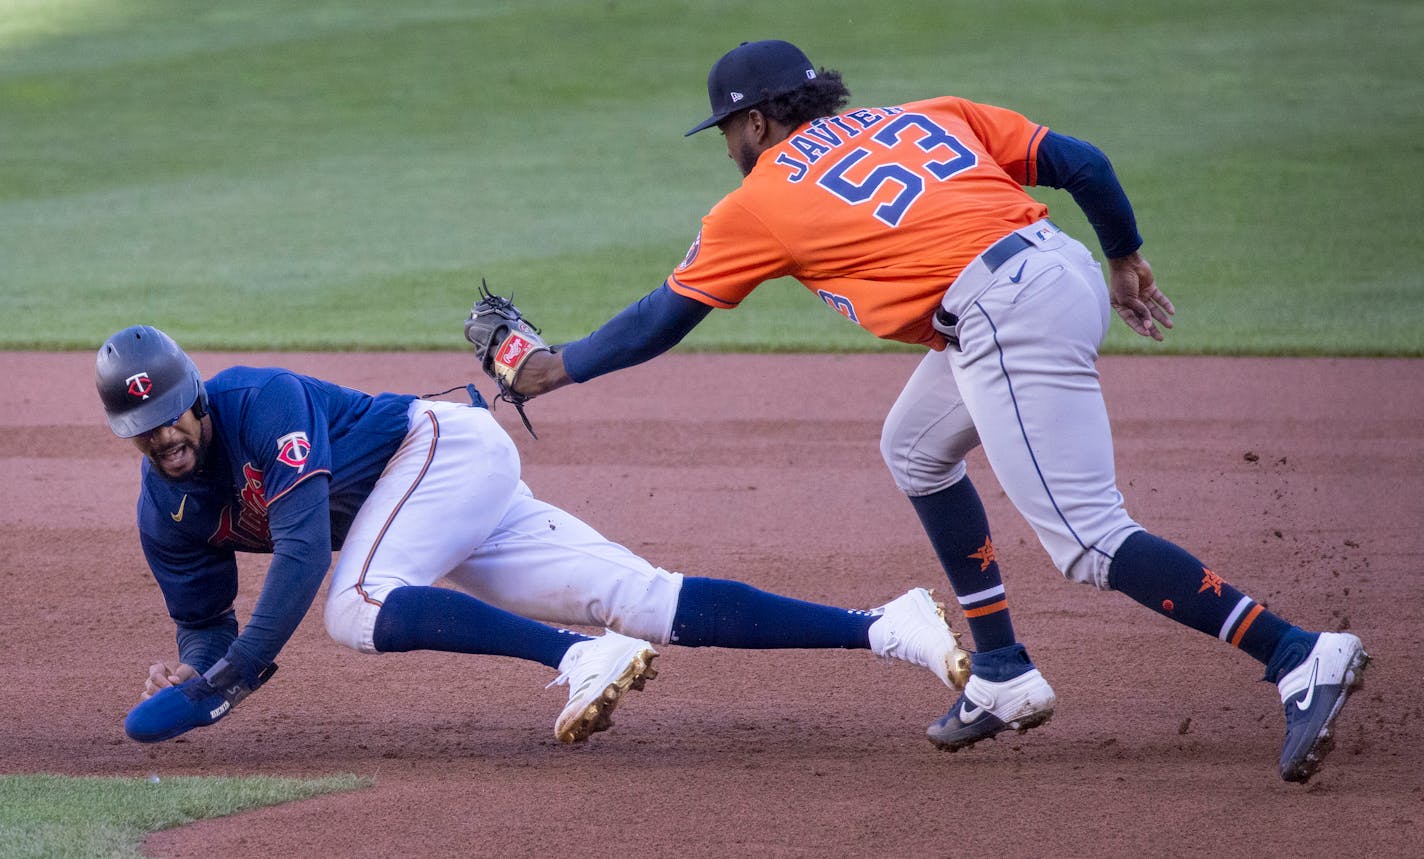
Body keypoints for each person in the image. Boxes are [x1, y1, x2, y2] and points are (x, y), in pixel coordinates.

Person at [495, 39, 1368, 782]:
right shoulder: (925, 114)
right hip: (1053, 266)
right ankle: (999, 670)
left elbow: (662, 317)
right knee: (915, 447)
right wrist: (1125, 258)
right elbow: (1083, 164)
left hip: (1001, 313)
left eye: (727, 129)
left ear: (757, 121)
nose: (726, 146)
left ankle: (1295, 653)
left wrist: (551, 369)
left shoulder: (758, 199)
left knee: (1089, 538)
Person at [97, 324, 967, 746]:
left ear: (198, 397)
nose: (167, 436)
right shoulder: (163, 515)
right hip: (423, 513)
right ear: (126, 436)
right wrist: (200, 665)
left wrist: (242, 672)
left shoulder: (260, 401)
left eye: (175, 414)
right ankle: (889, 624)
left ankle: (576, 657)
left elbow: (300, 549)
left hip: (437, 451)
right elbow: (206, 618)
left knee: (353, 603)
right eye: (147, 430)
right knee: (642, 599)